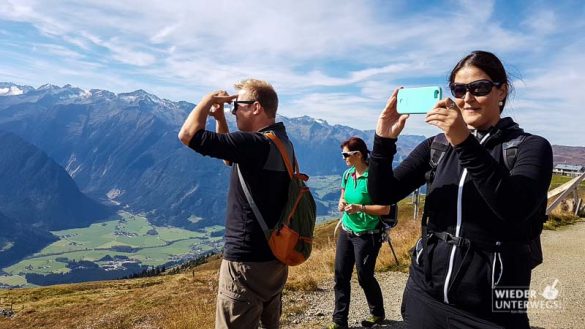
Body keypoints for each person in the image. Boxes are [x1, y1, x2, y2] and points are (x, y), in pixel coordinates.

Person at [368, 51, 553, 328]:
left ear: (501, 91)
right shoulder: (437, 146)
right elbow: (383, 194)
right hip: (425, 294)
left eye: (479, 88)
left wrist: (464, 142)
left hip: (492, 308)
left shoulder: (530, 147)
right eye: (459, 89)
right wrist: (383, 140)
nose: (467, 98)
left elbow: (514, 209)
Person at [178, 79, 292, 329]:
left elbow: (187, 135)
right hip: (273, 258)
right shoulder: (280, 141)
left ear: (256, 107)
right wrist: (220, 119)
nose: (233, 109)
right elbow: (230, 158)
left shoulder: (254, 144)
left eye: (236, 105)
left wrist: (209, 100)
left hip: (245, 263)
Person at [327, 137, 390, 329]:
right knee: (340, 274)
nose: (343, 158)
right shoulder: (347, 174)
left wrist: (360, 208)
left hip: (368, 234)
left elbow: (385, 209)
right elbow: (342, 196)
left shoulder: (374, 177)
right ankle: (339, 321)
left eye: (346, 154)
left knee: (364, 276)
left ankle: (377, 313)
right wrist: (341, 204)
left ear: (358, 155)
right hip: (347, 231)